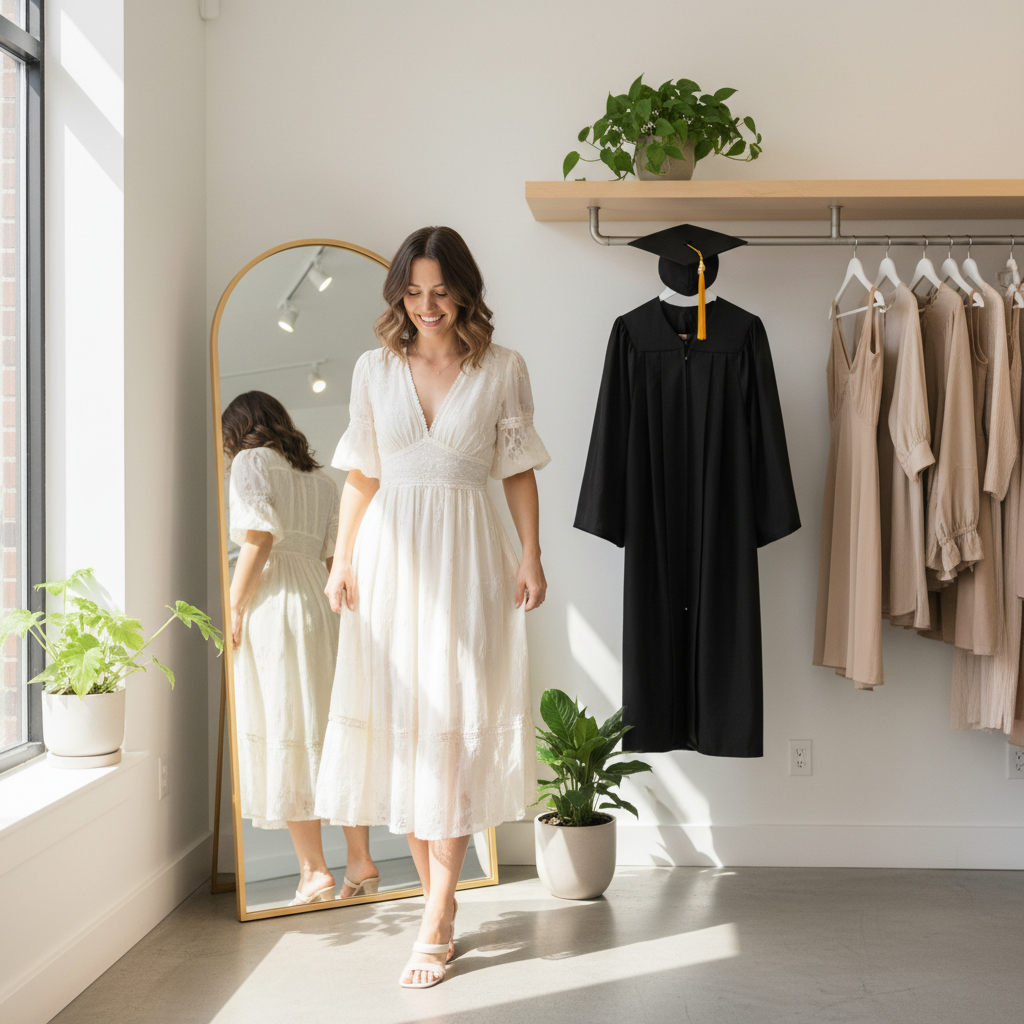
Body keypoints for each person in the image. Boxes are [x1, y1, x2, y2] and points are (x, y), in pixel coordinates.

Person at [314, 226, 550, 988]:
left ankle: (438, 913)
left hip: (469, 559)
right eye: (412, 293)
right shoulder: (373, 368)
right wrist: (343, 559)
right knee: (406, 733)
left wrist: (531, 553)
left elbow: (517, 471)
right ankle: (435, 905)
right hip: (388, 560)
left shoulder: (502, 368)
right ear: (398, 296)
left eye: (440, 291)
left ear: (464, 292)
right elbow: (361, 475)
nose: (426, 306)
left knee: (450, 735)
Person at [224, 391, 378, 906]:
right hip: (321, 600)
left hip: (276, 603)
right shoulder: (322, 481)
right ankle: (361, 860)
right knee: (333, 729)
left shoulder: (250, 461)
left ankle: (314, 871)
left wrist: (234, 603)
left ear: (239, 429)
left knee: (287, 725)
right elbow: (337, 556)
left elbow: (260, 538)